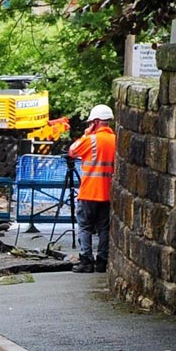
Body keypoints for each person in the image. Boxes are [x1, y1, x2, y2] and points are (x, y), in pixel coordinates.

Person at [68, 104, 116, 271]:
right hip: (108, 193)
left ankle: (86, 261)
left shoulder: (90, 140)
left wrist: (86, 134)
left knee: (85, 227)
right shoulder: (115, 140)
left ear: (95, 122)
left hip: (89, 191)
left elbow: (72, 151)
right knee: (104, 228)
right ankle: (102, 261)